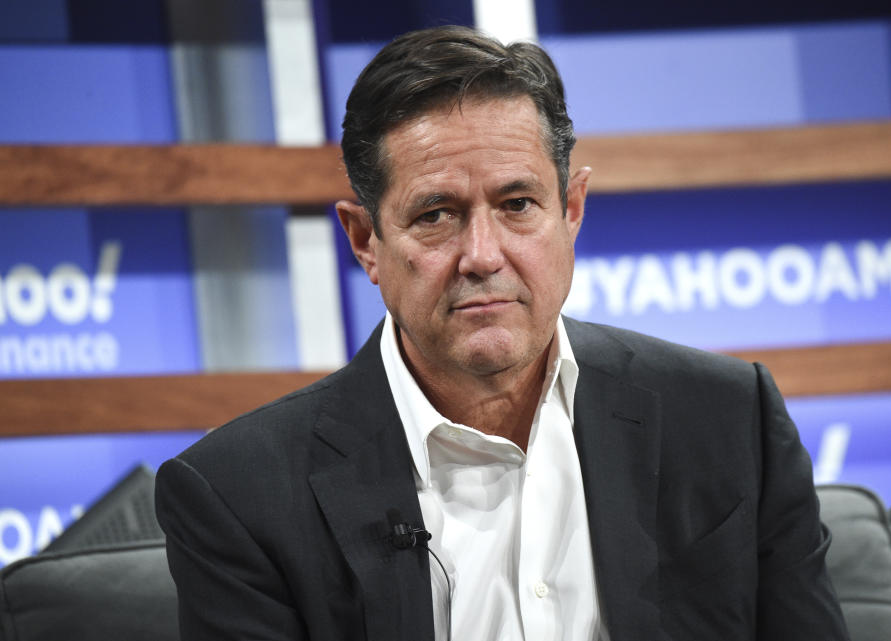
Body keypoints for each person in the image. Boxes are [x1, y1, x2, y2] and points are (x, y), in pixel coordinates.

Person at [155, 25, 850, 641]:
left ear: (571, 210)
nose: (483, 254)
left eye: (517, 204)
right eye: (435, 214)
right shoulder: (239, 496)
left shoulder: (729, 417)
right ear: (366, 242)